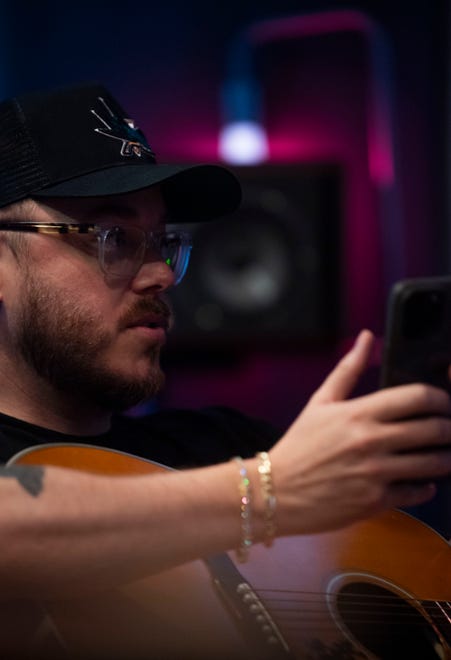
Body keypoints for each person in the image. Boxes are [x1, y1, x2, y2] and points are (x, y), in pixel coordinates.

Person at [0, 81, 450, 659]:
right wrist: (270, 491)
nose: (160, 273)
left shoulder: (230, 443)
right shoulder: (261, 473)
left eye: (162, 241)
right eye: (112, 237)